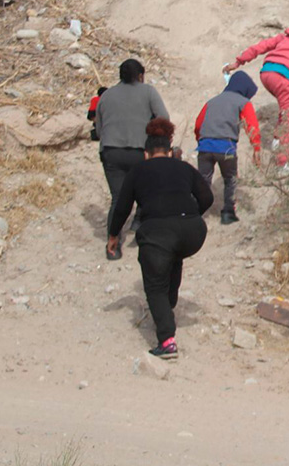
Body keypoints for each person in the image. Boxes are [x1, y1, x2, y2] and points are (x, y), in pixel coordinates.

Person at [108, 118, 213, 359]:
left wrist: (114, 235)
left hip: (158, 230)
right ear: (169, 151)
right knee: (173, 257)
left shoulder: (138, 171)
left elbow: (123, 207)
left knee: (154, 285)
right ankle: (168, 307)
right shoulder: (184, 167)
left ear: (146, 154)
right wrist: (193, 214)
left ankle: (166, 341)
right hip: (192, 231)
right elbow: (207, 196)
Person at [222, 15, 289, 167]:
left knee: (286, 109)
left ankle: (277, 140)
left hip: (267, 73)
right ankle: (283, 162)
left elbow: (260, 47)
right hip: (283, 78)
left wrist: (238, 62)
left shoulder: (285, 37)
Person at [96, 59, 169, 255]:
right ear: (140, 76)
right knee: (147, 193)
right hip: (139, 151)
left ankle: (113, 243)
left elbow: (98, 128)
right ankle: (141, 226)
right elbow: (163, 119)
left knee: (118, 198)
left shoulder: (106, 95)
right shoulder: (148, 92)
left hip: (111, 151)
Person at [193, 70, 262, 224]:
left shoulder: (212, 101)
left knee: (203, 181)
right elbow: (252, 127)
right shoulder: (243, 102)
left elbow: (198, 124)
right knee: (230, 179)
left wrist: (201, 140)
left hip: (205, 147)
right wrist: (256, 149)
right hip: (226, 148)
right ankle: (228, 213)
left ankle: (197, 213)